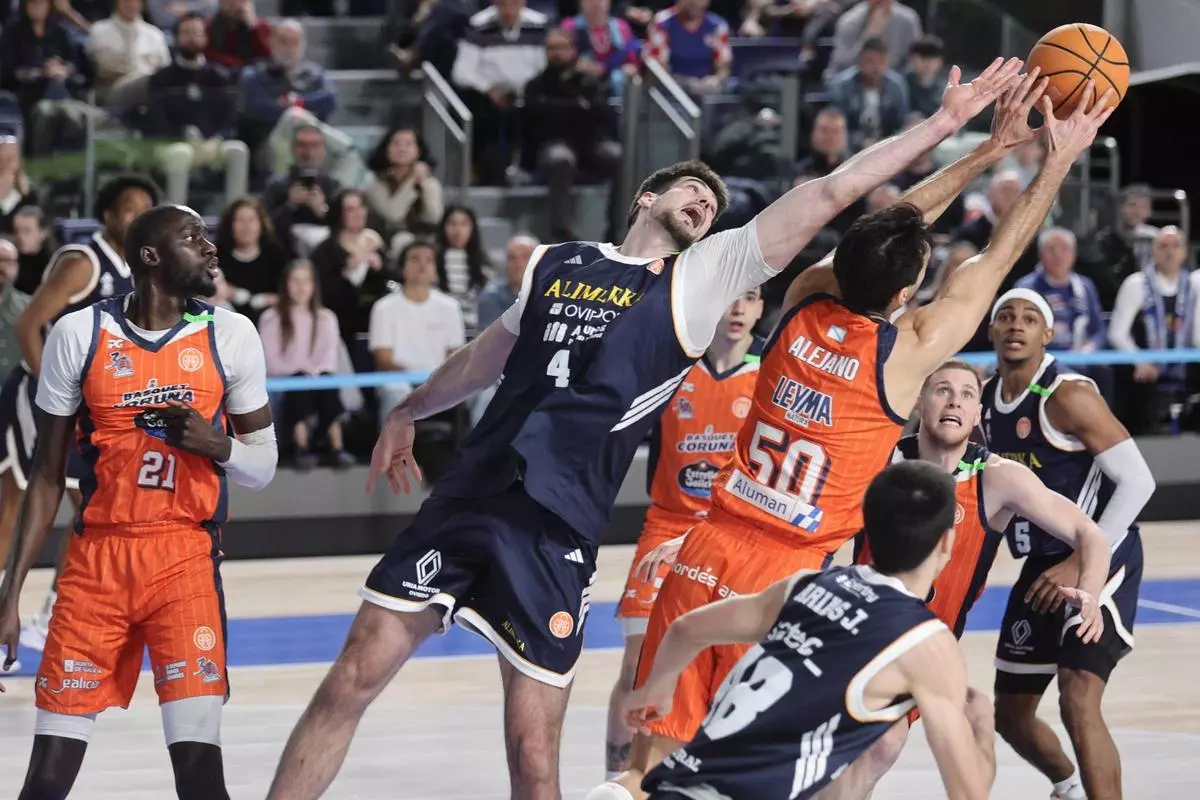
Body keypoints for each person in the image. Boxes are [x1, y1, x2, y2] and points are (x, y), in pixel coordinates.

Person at [264, 56, 1026, 800]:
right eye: (694, 189)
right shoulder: (556, 262)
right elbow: (481, 359)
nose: (705, 204)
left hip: (554, 522)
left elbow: (833, 194)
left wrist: (944, 127)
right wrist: (408, 410)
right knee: (350, 678)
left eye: (714, 206)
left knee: (532, 753)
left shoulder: (701, 278)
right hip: (469, 491)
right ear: (646, 196)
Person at [598, 72, 1116, 800]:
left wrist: (986, 150)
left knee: (652, 768)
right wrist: (1056, 161)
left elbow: (882, 229)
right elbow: (994, 259)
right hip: (790, 583)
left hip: (705, 550)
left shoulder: (802, 300)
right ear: (905, 294)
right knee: (766, 778)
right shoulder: (905, 357)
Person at [0, 205, 277, 799]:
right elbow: (46, 477)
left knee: (200, 775)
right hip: (97, 563)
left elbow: (263, 467)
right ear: (150, 255)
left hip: (185, 561)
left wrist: (216, 444)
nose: (210, 247)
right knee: (45, 780)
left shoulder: (232, 334)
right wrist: (10, 592)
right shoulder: (79, 334)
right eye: (194, 237)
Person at [629, 460, 1024, 800]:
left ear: (866, 527)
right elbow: (969, 793)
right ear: (948, 542)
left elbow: (686, 629)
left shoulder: (804, 586)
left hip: (677, 786)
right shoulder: (926, 644)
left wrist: (657, 688)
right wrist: (981, 724)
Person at [834, 359, 1112, 799]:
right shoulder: (880, 462)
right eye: (942, 390)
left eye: (967, 394)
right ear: (920, 403)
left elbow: (1089, 534)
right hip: (858, 633)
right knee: (869, 750)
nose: (954, 402)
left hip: (923, 649)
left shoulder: (996, 478)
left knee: (875, 751)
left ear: (978, 412)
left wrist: (1091, 593)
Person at [982, 289, 1156, 800]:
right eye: (1006, 317)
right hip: (1042, 561)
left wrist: (1082, 559)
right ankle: (1069, 786)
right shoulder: (986, 400)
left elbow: (1139, 482)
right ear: (991, 331)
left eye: (1029, 318)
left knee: (1078, 695)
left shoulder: (1067, 395)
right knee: (1011, 715)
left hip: (1103, 551)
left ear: (1048, 334)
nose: (1016, 325)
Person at [605, 286, 765, 777]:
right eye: (730, 296)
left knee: (729, 666)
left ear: (761, 308)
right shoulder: (673, 364)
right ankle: (617, 781)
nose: (737, 307)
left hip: (730, 534)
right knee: (637, 663)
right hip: (666, 525)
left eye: (751, 297)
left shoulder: (770, 372)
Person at [0, 175, 159, 656]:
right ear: (108, 214)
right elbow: (29, 325)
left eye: (146, 209)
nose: (138, 216)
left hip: (90, 408)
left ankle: (49, 616)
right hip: (44, 398)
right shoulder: (84, 263)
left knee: (89, 508)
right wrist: (56, 391)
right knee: (17, 505)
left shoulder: (142, 270)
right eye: (129, 207)